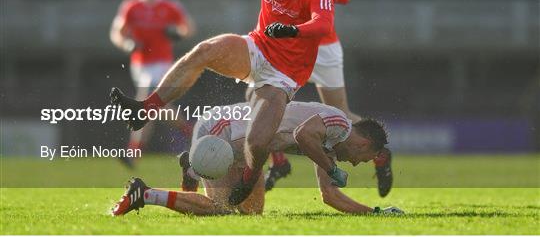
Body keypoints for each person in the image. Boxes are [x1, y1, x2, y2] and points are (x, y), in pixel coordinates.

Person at [109, 0, 335, 205]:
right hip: (258, 48)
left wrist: (294, 30)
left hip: (285, 75)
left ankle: (250, 176)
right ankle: (145, 108)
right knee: (203, 51)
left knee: (257, 141)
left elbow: (322, 24)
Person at [263, 0, 393, 197]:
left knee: (341, 116)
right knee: (261, 97)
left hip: (322, 45)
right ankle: (278, 161)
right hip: (290, 46)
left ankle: (380, 153)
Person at [111, 101, 404, 216]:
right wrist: (330, 166)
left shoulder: (327, 143)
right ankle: (145, 193)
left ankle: (193, 166)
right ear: (364, 143)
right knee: (220, 209)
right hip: (222, 131)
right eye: (363, 159)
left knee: (251, 216)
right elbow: (303, 134)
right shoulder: (339, 125)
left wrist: (375, 213)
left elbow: (330, 196)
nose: (356, 164)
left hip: (242, 148)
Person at [110, 0, 196, 166]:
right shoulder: (131, 6)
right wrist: (126, 44)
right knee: (157, 106)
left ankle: (133, 152)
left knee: (146, 99)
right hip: (139, 65)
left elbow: (189, 27)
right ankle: (189, 131)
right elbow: (117, 33)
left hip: (162, 64)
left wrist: (178, 33)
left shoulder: (169, 5)